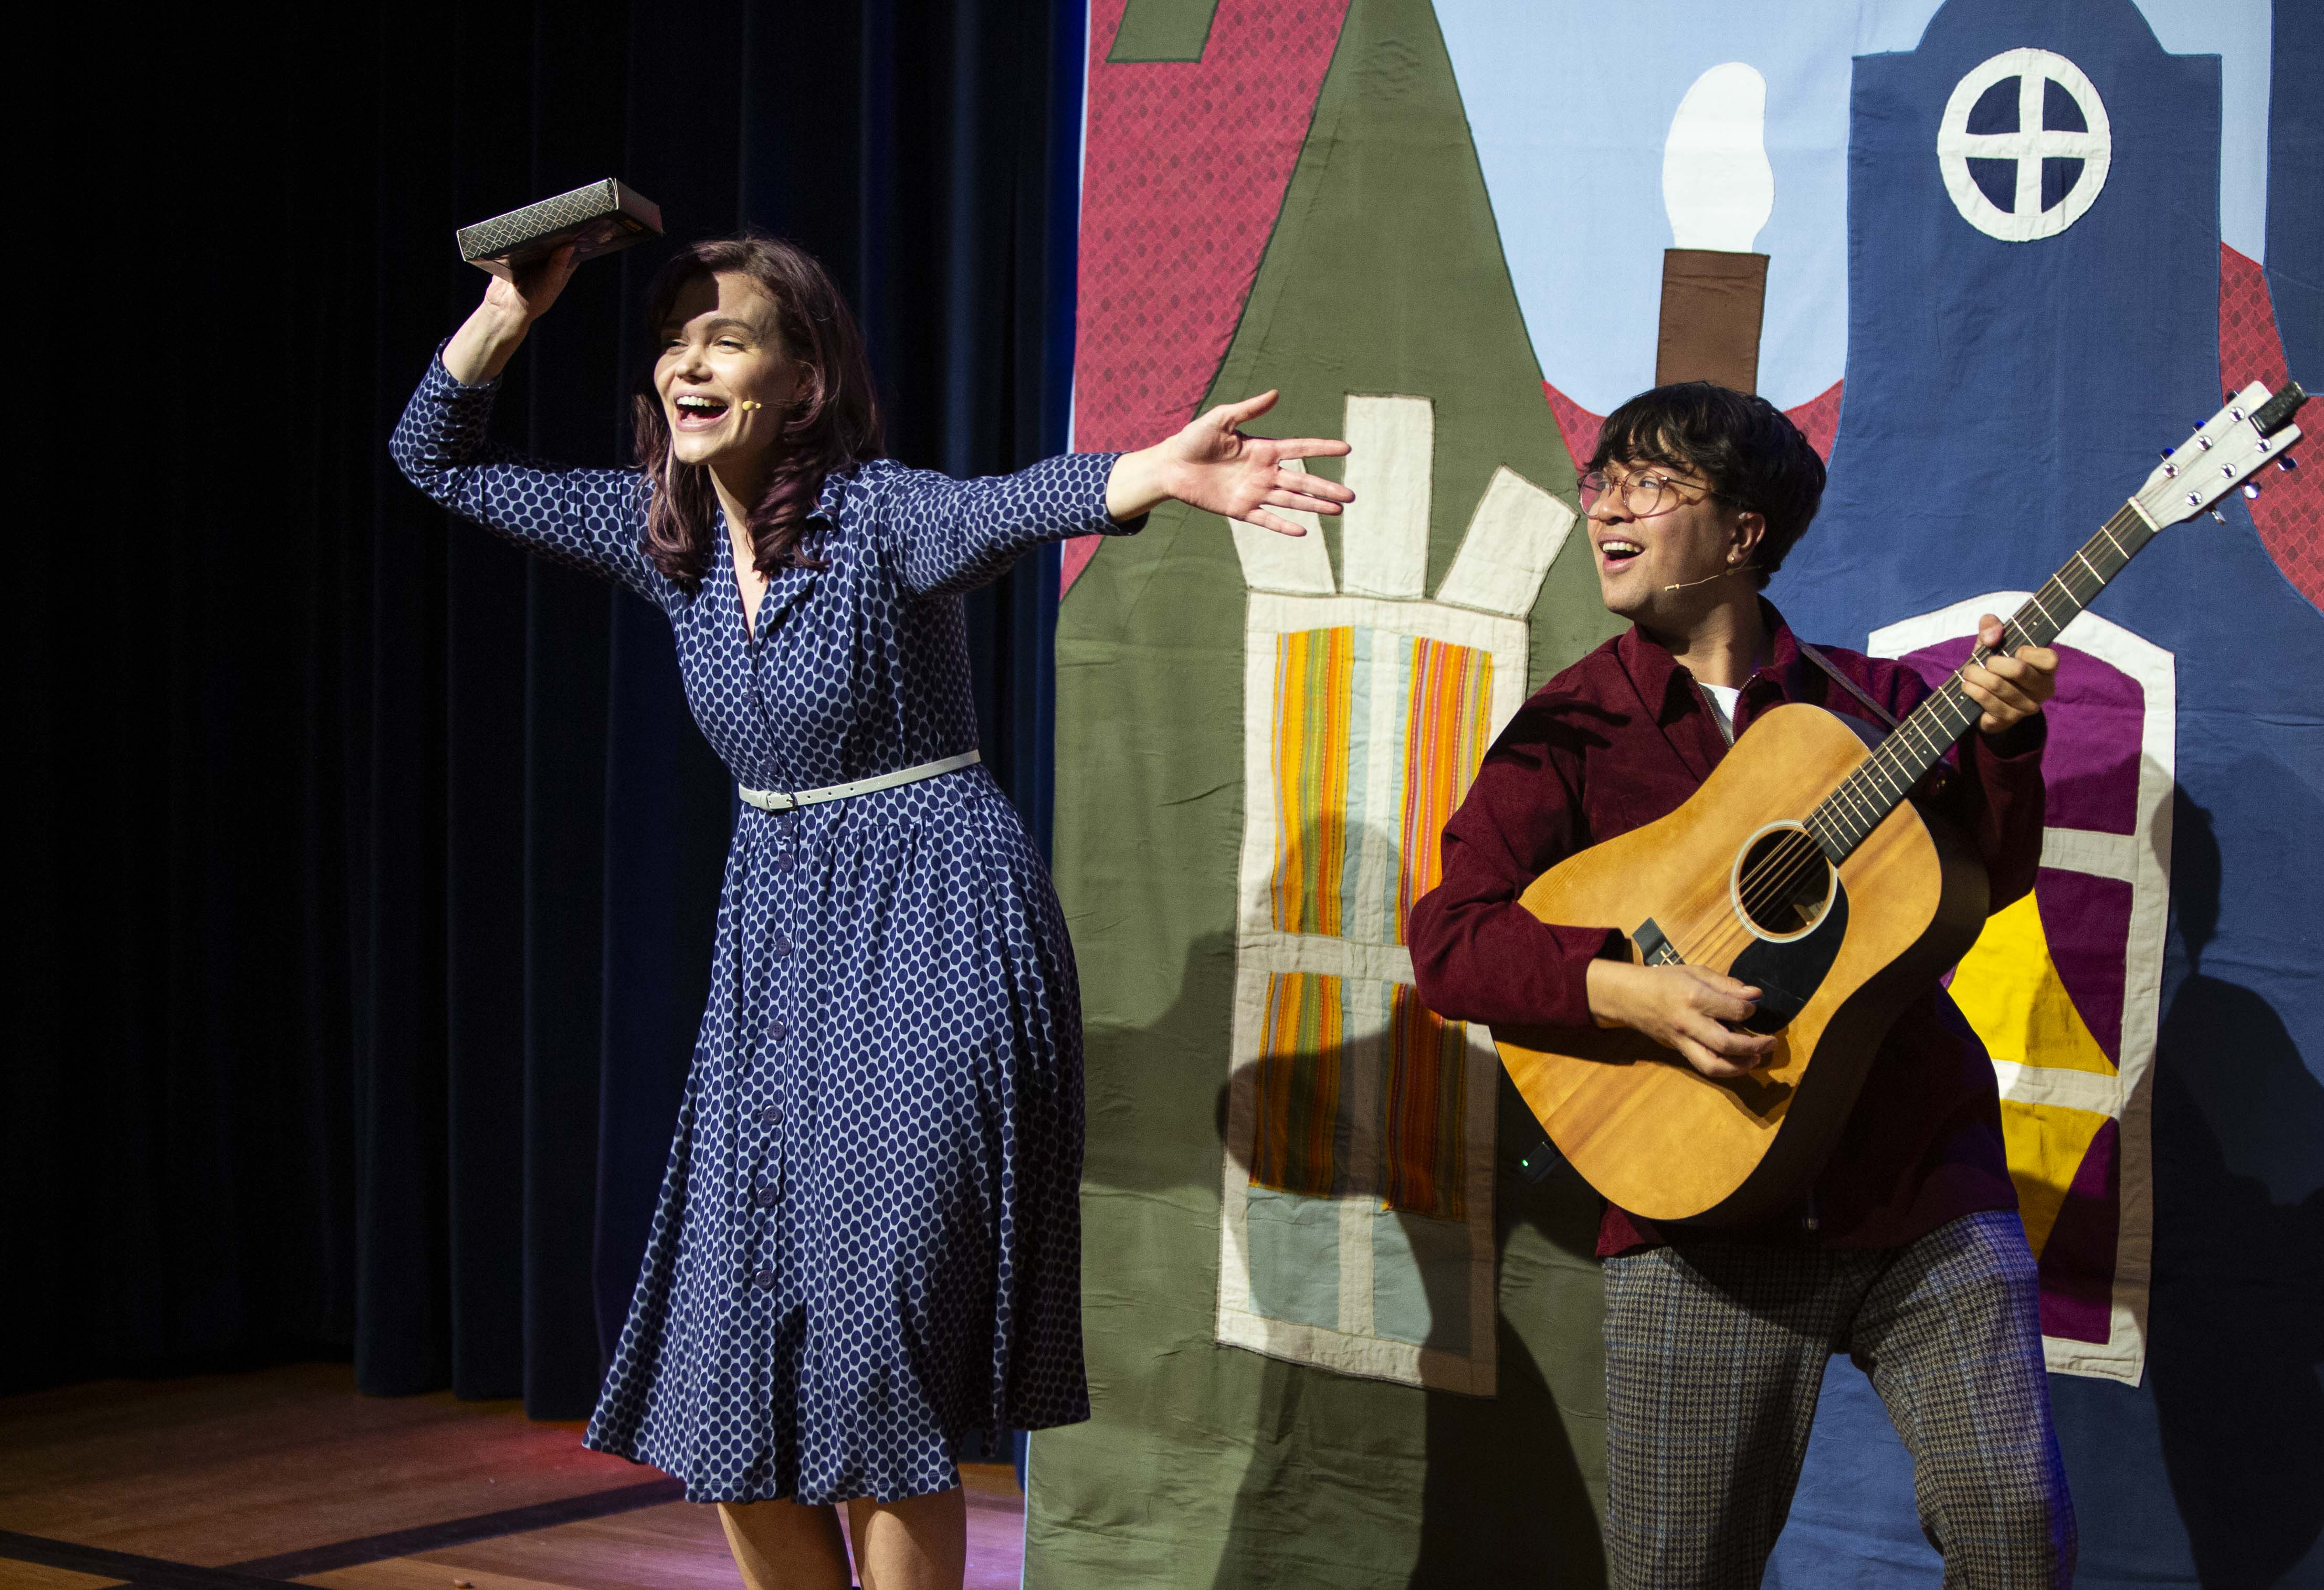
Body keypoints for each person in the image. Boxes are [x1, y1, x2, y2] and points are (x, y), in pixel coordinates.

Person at [390, 234, 1353, 1590]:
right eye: (676, 337)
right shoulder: (658, 536)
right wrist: (508, 310)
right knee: (733, 1356)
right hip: (777, 946)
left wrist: (1152, 474)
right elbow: (434, 456)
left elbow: (1008, 506)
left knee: (870, 1344)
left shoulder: (876, 513)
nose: (691, 360)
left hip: (939, 923)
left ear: (804, 379)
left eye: (729, 336)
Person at [1407, 383, 2075, 1589]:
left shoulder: (1875, 707)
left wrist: (2005, 740)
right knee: (1679, 1574)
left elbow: (1987, 875)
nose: (1608, 507)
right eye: (1600, 481)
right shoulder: (1571, 733)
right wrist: (1627, 989)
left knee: (2015, 1530)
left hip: (1917, 1188)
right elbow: (1452, 940)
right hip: (1699, 1219)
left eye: (1648, 483)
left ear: (1742, 531)